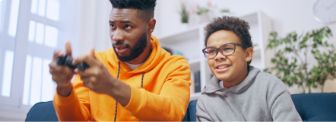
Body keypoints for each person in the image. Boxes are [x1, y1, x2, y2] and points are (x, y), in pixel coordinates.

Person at [48, 0, 191, 121]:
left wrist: (112, 86)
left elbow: (172, 114)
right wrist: (64, 88)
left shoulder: (175, 66)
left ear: (150, 26)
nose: (116, 36)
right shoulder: (97, 63)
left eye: (127, 27)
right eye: (112, 26)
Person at [196, 16, 302, 121]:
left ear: (247, 54)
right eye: (211, 51)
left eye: (227, 48)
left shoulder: (271, 86)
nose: (218, 56)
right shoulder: (205, 101)